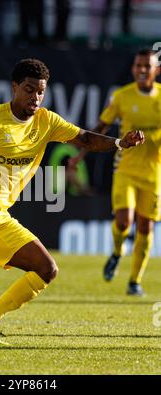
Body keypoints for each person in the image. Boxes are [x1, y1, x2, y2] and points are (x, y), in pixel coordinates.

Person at [0, 58, 144, 331]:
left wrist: (119, 142)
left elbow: (85, 138)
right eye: (29, 89)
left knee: (47, 269)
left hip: (0, 212)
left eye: (40, 91)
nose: (35, 97)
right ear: (14, 87)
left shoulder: (47, 122)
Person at [69, 49, 161, 296]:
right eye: (138, 65)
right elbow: (101, 127)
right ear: (133, 69)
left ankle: (134, 281)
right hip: (126, 169)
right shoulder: (121, 96)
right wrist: (80, 154)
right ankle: (118, 251)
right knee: (124, 220)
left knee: (145, 228)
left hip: (153, 172)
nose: (141, 70)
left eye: (147, 66)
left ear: (156, 70)